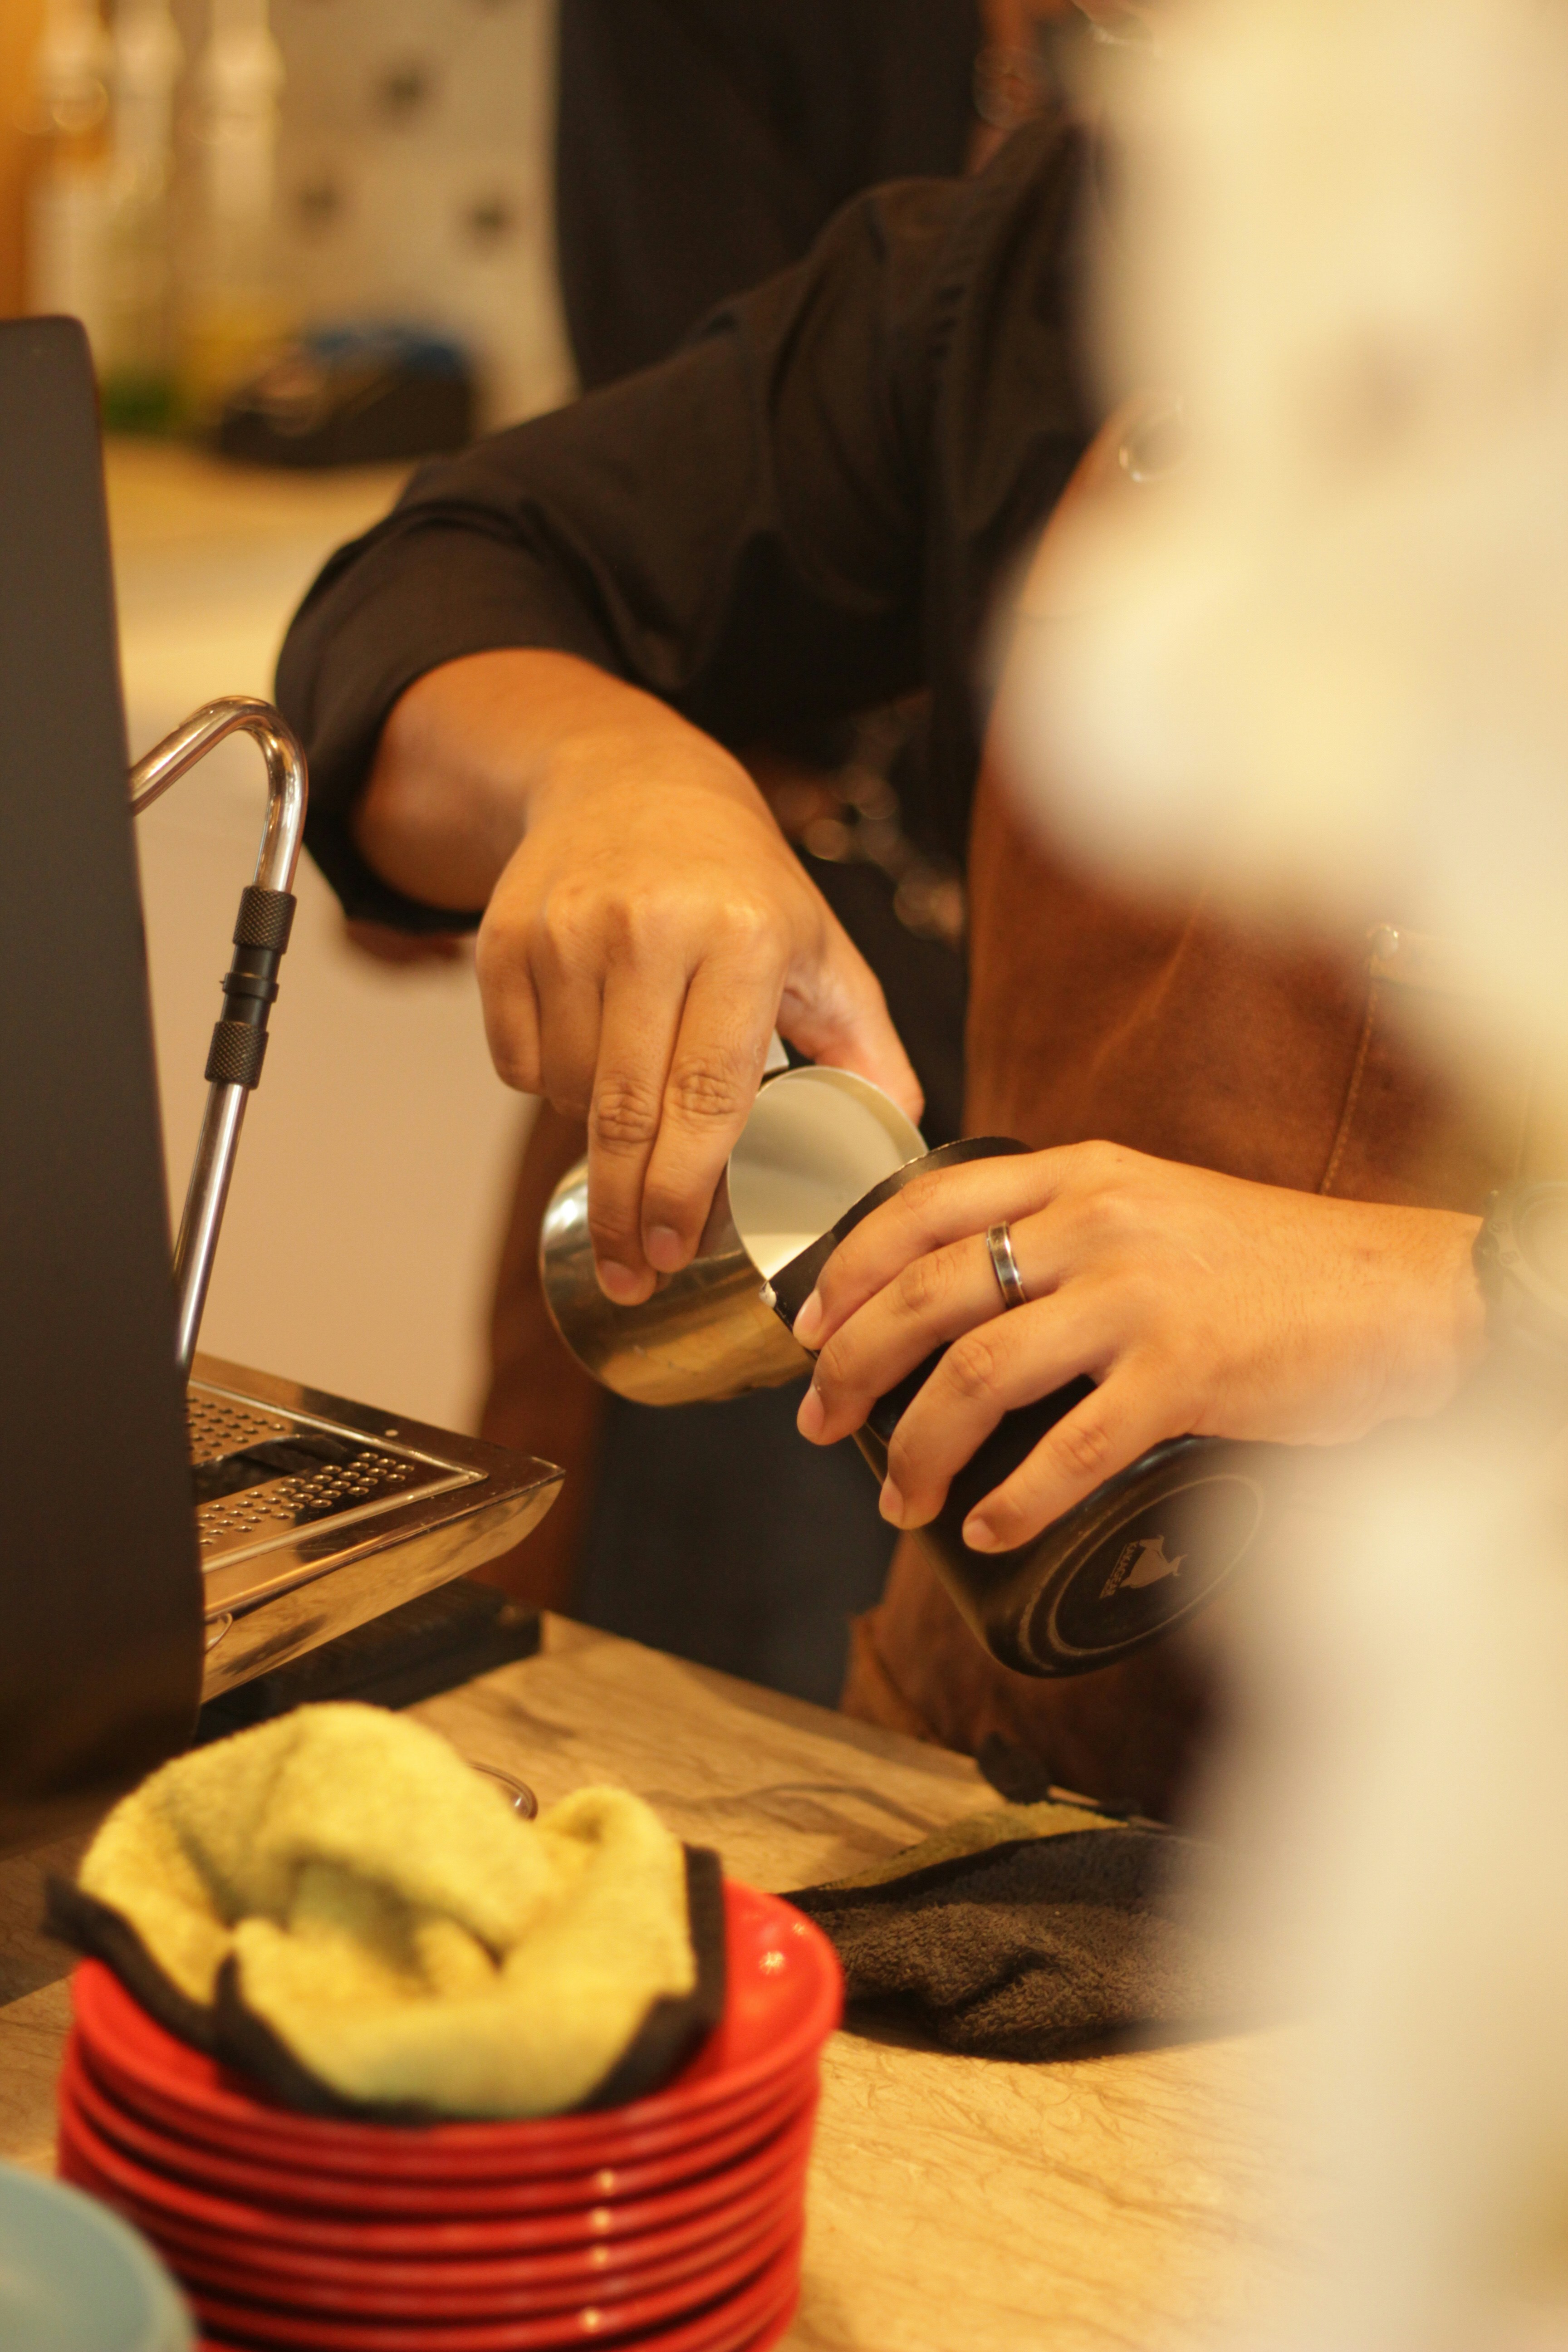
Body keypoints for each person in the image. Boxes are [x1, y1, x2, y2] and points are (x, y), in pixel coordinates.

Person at [277, 76, 1513, 1818]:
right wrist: (608, 769)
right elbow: (443, 583)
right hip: (1022, 1805)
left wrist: (1442, 1301)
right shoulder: (1066, 263)